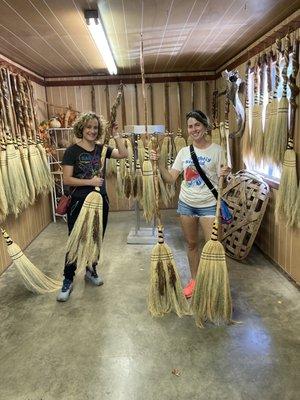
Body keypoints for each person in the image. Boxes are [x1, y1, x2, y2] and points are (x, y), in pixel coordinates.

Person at [151, 110, 230, 298]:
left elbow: (223, 182)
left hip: (210, 204)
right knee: (192, 244)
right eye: (190, 126)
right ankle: (194, 281)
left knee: (213, 244)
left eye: (197, 125)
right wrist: (159, 164)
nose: (193, 129)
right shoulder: (184, 152)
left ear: (204, 126)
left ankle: (212, 283)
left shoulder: (217, 150)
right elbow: (171, 178)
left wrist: (225, 176)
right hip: (186, 204)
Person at [57, 112, 128, 302]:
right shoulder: (72, 151)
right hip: (79, 202)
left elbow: (123, 154)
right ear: (82, 128)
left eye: (95, 128)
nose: (92, 131)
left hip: (100, 201)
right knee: (75, 239)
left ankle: (91, 269)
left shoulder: (102, 149)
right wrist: (91, 181)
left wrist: (116, 135)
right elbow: (67, 179)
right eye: (88, 127)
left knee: (96, 237)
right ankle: (68, 279)